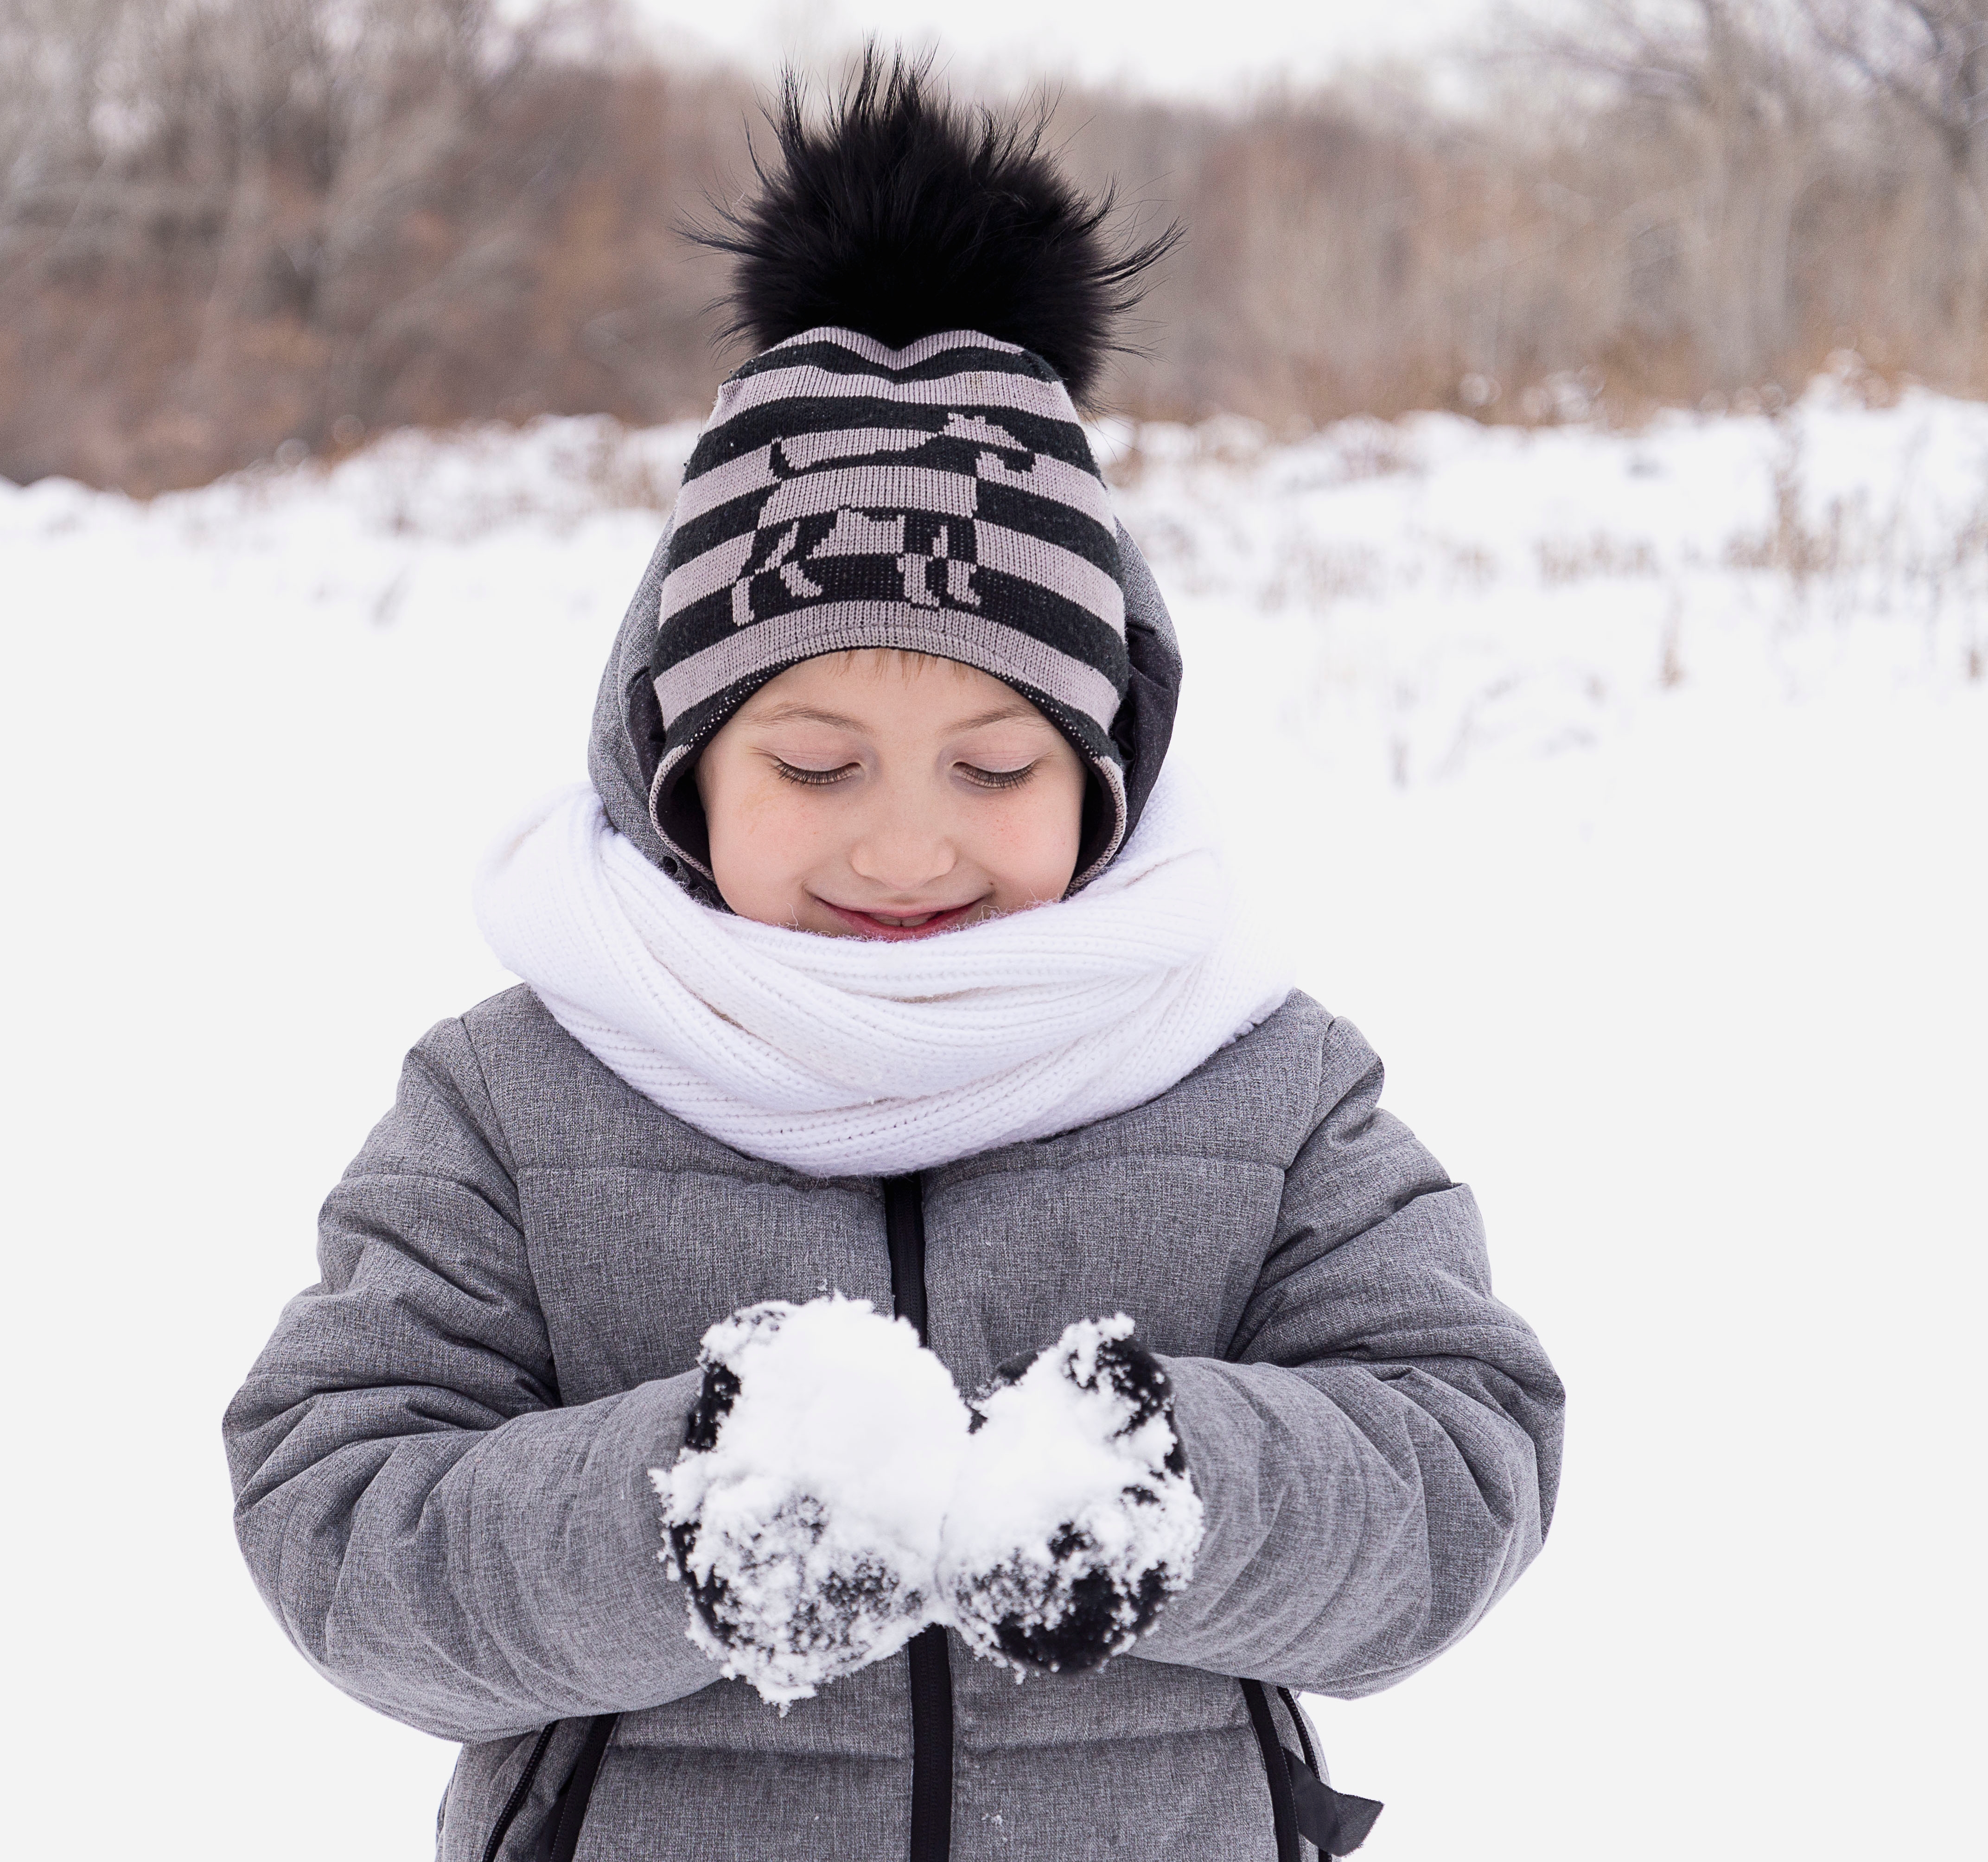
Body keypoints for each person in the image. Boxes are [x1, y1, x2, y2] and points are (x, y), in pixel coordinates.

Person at [223, 57, 1561, 1862]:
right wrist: (686, 1518)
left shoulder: (1259, 1082)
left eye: (994, 769)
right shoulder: (519, 1098)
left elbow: (1460, 1454)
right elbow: (340, 1512)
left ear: (1105, 776)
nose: (908, 845)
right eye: (814, 765)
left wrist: (1173, 1487)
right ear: (681, 769)